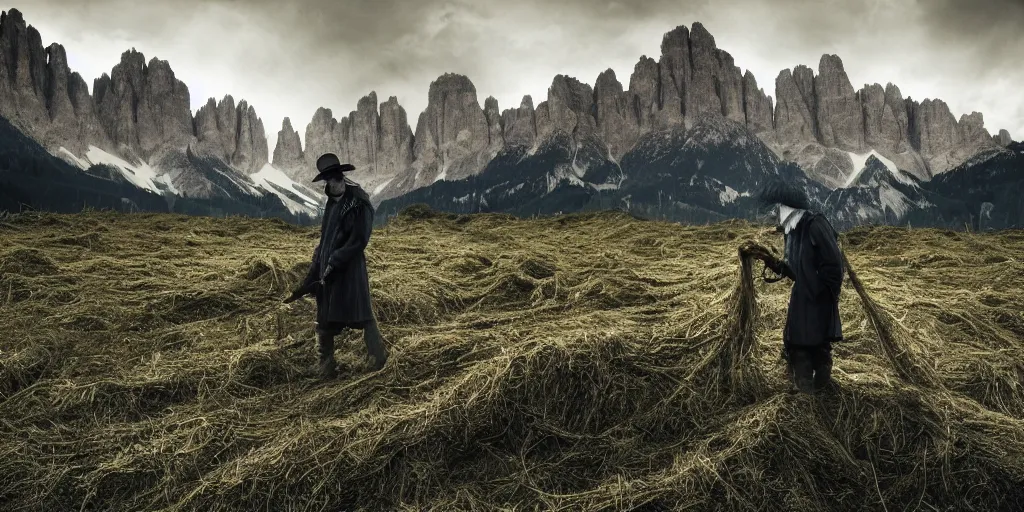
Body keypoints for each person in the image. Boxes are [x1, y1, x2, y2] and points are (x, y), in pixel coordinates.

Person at [284, 153, 388, 379]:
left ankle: (378, 358)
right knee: (325, 320)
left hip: (350, 271)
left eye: (338, 180)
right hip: (328, 273)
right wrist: (317, 265)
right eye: (330, 182)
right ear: (327, 184)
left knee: (362, 314)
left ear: (343, 179)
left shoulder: (359, 204)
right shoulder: (332, 204)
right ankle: (326, 366)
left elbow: (359, 240)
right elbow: (325, 238)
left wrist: (336, 259)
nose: (335, 185)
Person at [758, 179, 843, 393]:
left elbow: (834, 265)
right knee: (801, 345)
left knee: (809, 345)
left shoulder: (815, 224)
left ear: (785, 207)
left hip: (817, 297)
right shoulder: (793, 231)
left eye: (777, 208)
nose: (775, 213)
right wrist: (775, 265)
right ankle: (809, 393)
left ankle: (815, 394)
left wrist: (821, 292)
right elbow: (795, 268)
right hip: (803, 296)